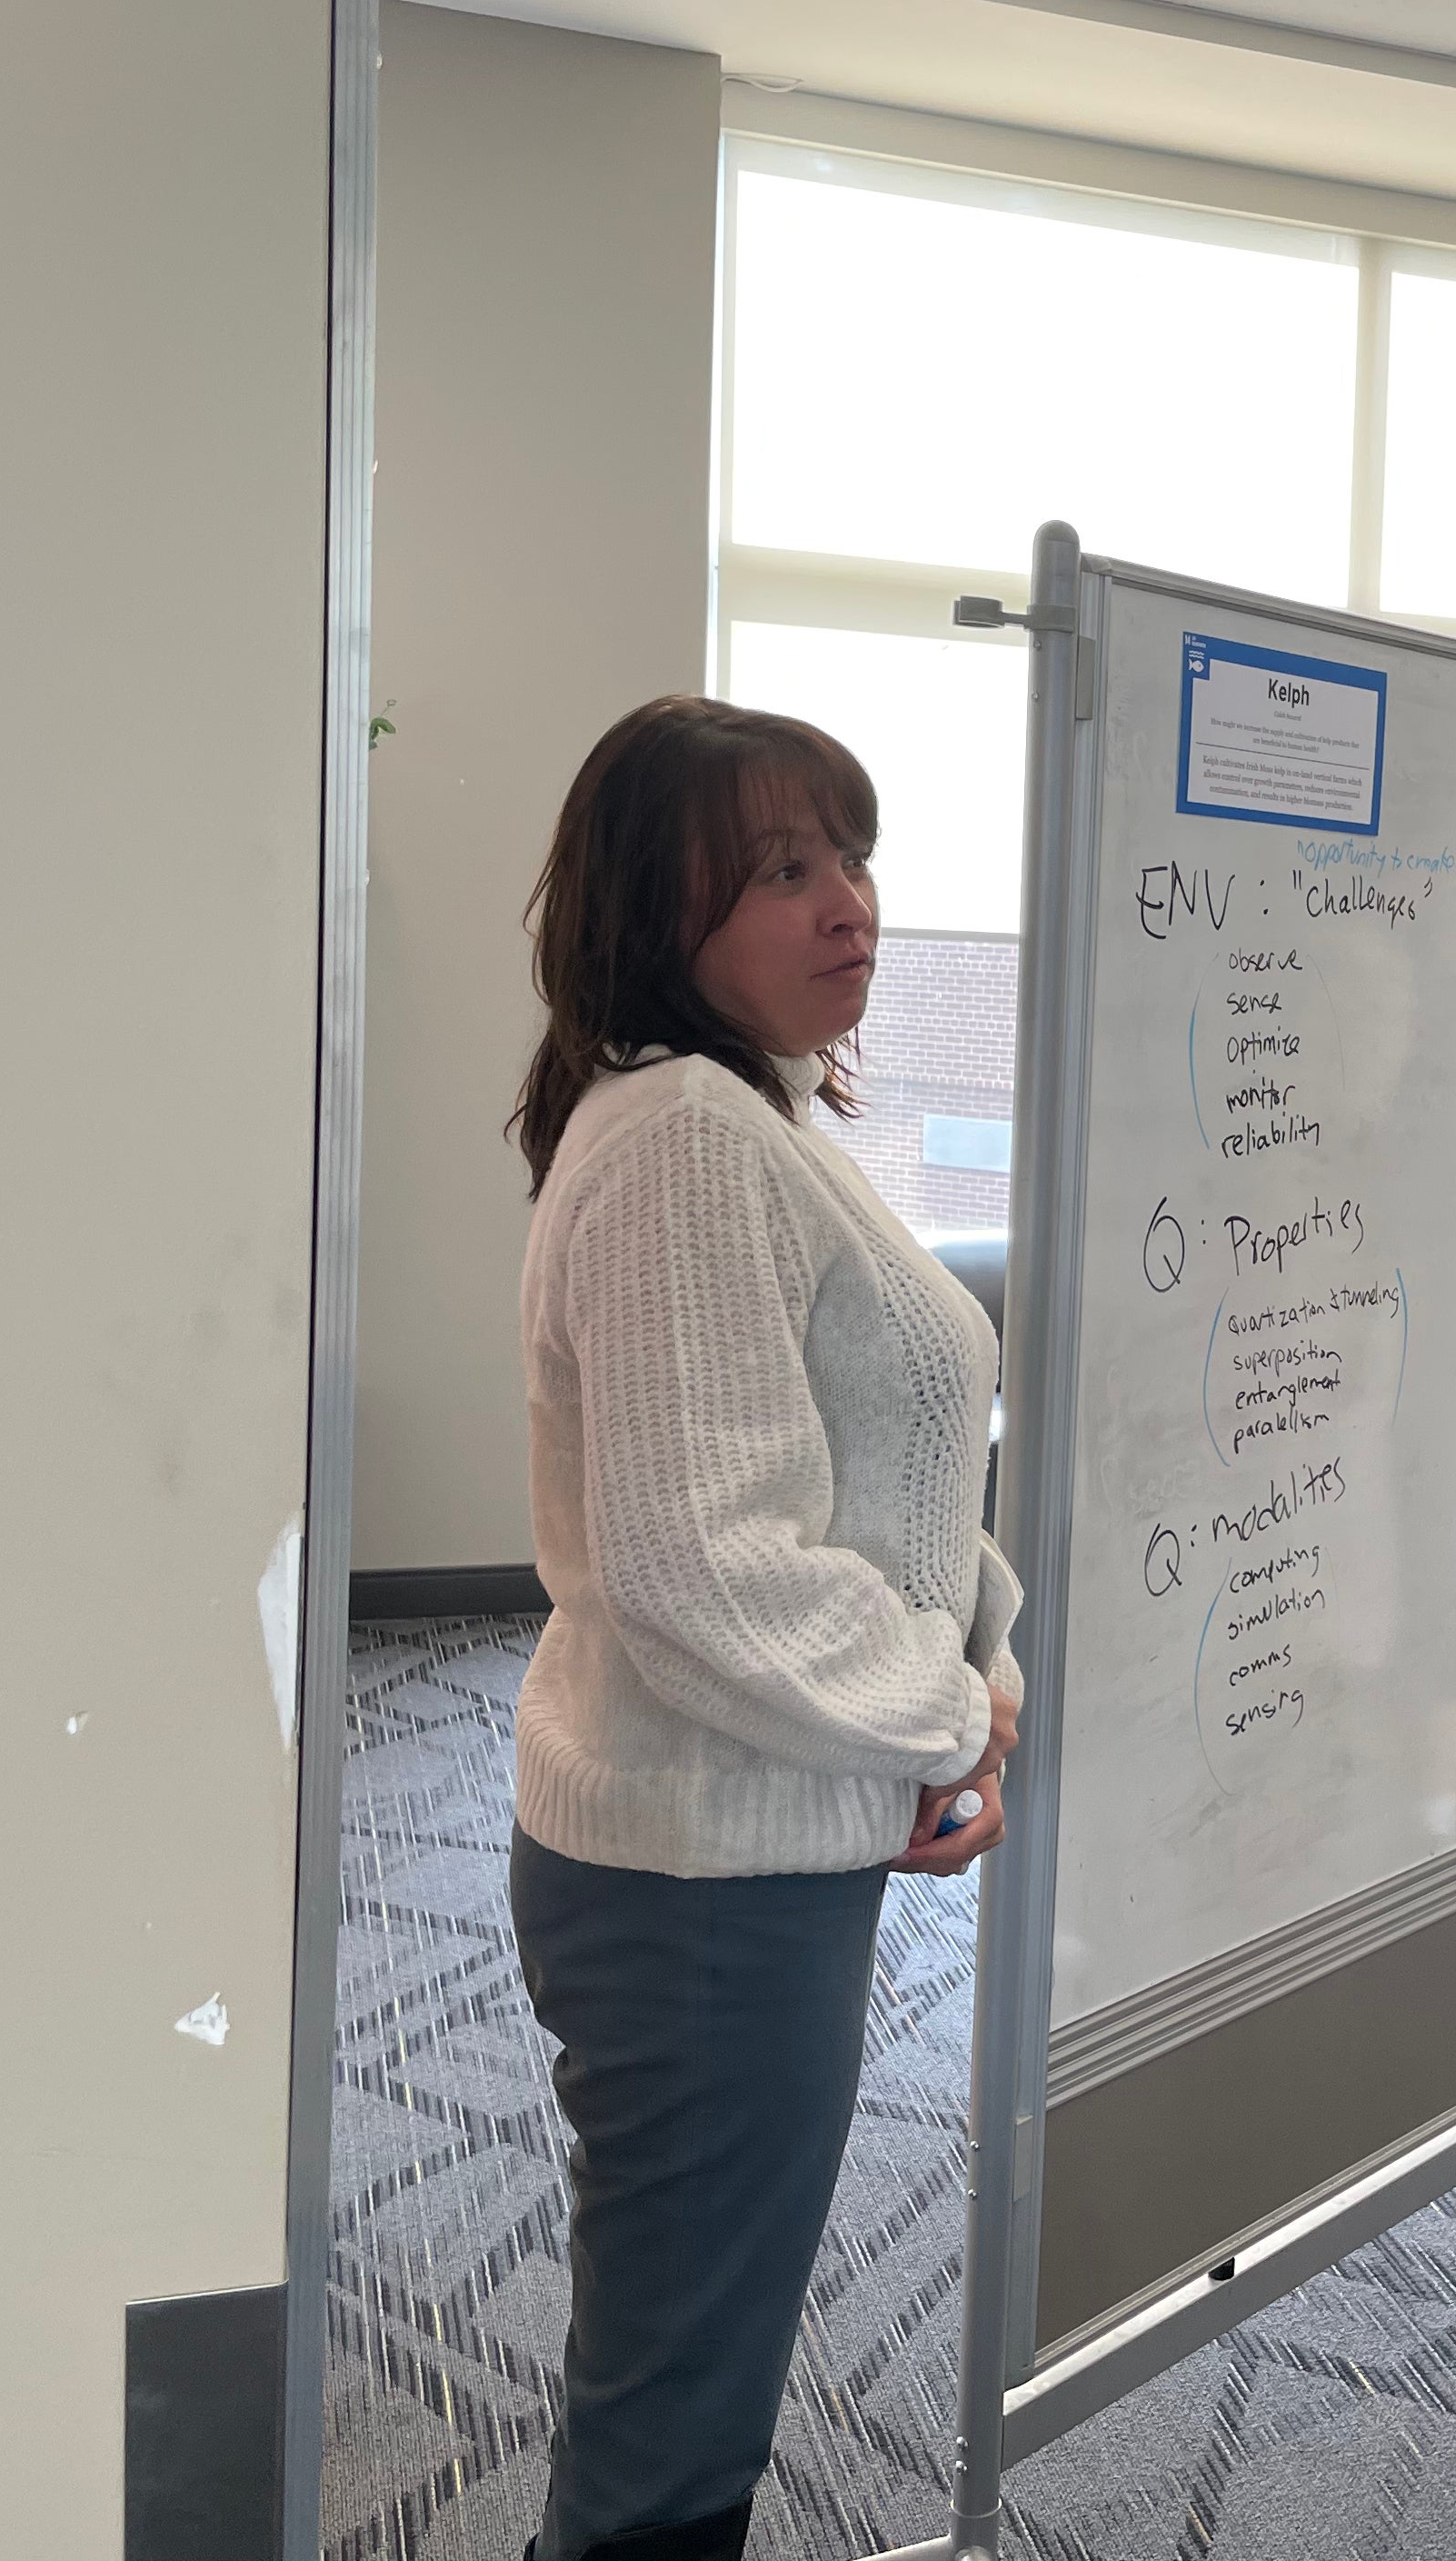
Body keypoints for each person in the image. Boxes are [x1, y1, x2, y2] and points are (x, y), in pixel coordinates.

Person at [504, 694, 1026, 2561]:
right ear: (662, 914)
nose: (849, 903)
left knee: (686, 2374)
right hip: (700, 1884)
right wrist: (945, 1713)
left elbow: (877, 1487)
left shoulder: (755, 1117)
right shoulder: (683, 1142)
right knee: (672, 2432)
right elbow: (704, 1565)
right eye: (784, 869)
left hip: (740, 1850)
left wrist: (971, 1675)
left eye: (853, 855)